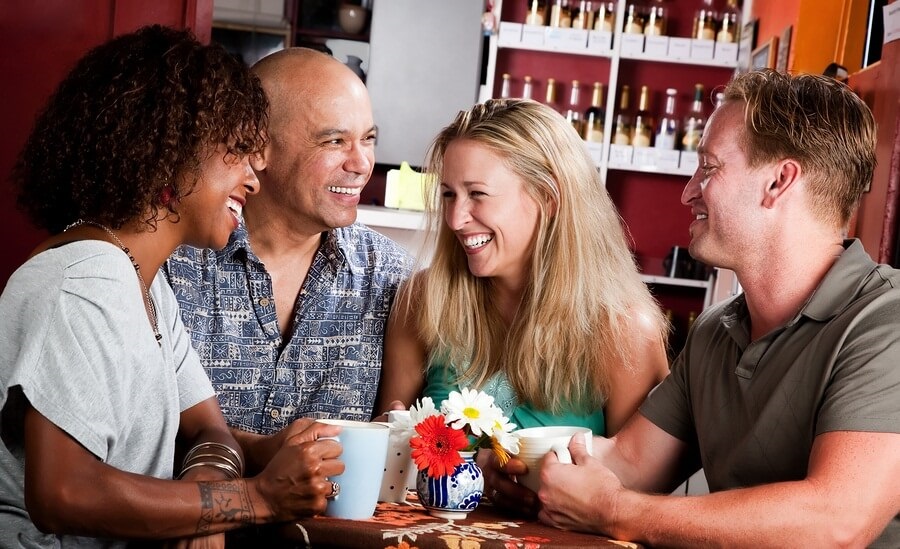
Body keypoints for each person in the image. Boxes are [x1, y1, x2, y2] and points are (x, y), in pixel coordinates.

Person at [0, 26, 345, 547]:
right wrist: (252, 501)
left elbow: (210, 430)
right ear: (169, 151)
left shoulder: (144, 281)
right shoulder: (81, 284)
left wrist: (206, 495)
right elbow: (63, 493)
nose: (255, 178)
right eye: (238, 151)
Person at [536, 70, 900, 547]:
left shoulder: (884, 323)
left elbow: (836, 521)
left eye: (708, 168)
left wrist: (614, 511)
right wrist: (496, 453)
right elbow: (627, 464)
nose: (688, 192)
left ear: (778, 182)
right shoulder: (716, 330)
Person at [380, 98, 670, 504]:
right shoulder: (422, 300)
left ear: (548, 198)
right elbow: (390, 464)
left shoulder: (625, 329)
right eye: (448, 194)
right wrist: (395, 437)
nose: (455, 218)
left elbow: (636, 506)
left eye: (477, 194)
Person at [165, 47, 413, 474]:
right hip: (177, 529)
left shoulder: (394, 278)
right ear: (259, 147)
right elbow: (132, 437)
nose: (361, 164)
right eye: (335, 141)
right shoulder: (173, 261)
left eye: (368, 139)